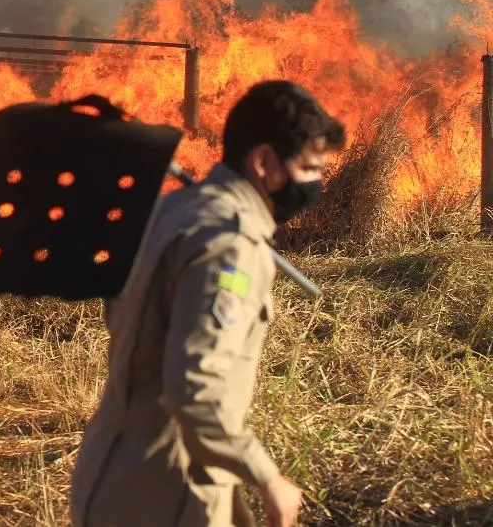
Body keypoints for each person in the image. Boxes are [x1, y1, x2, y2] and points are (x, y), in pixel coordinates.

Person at [70, 80, 346, 527]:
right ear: (263, 162)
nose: (315, 185)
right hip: (165, 494)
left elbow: (120, 318)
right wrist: (266, 476)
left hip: (108, 475)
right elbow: (194, 389)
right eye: (310, 169)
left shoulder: (170, 211)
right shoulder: (231, 246)